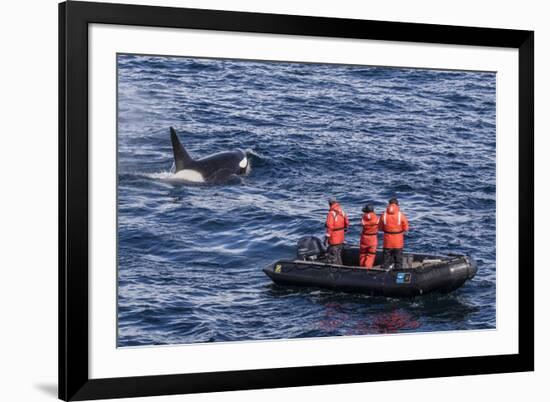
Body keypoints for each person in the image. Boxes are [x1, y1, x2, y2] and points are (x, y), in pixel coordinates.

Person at [378, 198, 409, 270]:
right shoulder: (400, 215)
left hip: (387, 241)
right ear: (397, 205)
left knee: (386, 259)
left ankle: (384, 272)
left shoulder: (384, 215)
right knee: (398, 260)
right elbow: (406, 228)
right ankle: (398, 274)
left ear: (389, 205)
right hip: (398, 241)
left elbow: (379, 228)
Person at [324, 198, 349, 265]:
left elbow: (330, 226)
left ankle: (335, 271)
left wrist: (326, 238)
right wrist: (344, 231)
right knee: (338, 254)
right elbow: (347, 223)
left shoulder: (331, 213)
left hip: (334, 238)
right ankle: (340, 267)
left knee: (333, 255)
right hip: (341, 237)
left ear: (330, 204)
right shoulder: (342, 211)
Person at [359, 204, 379, 269]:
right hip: (373, 238)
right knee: (371, 254)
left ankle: (361, 268)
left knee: (363, 254)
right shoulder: (376, 218)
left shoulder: (363, 218)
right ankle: (367, 269)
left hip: (364, 238)